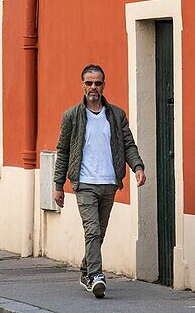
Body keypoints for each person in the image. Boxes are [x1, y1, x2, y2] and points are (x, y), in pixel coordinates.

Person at [53, 64, 146, 299]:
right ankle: (96, 275)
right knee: (92, 230)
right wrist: (58, 186)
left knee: (99, 232)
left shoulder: (116, 115)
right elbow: (63, 151)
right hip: (84, 182)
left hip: (109, 182)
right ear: (82, 85)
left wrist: (137, 167)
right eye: (89, 83)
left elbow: (128, 145)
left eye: (97, 83)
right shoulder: (72, 116)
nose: (93, 87)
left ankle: (86, 270)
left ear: (104, 85)